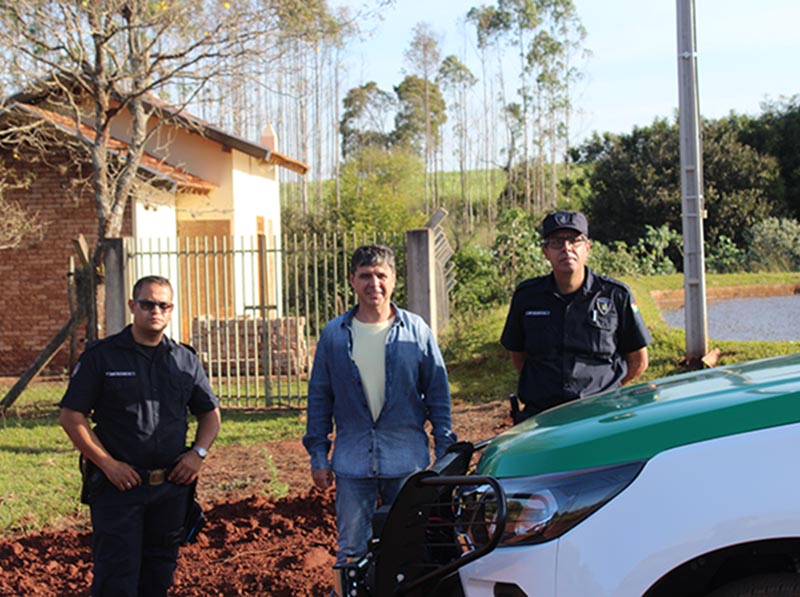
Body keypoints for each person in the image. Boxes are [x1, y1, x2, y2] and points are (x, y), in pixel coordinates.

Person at [59, 275, 221, 597]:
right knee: (116, 579)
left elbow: (210, 415)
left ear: (171, 309)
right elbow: (71, 417)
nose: (155, 311)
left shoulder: (184, 360)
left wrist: (197, 454)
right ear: (133, 306)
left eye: (163, 305)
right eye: (147, 304)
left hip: (171, 491)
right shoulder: (102, 356)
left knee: (159, 577)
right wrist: (108, 465)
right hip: (119, 490)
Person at [303, 244, 456, 567]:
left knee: (409, 548)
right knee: (351, 551)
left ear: (394, 279)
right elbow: (319, 398)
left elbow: (438, 394)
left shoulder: (416, 332)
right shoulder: (333, 336)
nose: (374, 284)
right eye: (365, 276)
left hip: (406, 461)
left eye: (381, 275)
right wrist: (318, 455)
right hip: (352, 463)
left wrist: (444, 447)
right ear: (352, 280)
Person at [501, 210, 651, 420]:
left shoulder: (615, 295)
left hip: (601, 414)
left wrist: (605, 391)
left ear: (587, 248)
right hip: (542, 416)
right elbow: (519, 356)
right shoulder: (527, 297)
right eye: (556, 242)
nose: (566, 248)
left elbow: (638, 361)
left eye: (574, 240)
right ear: (545, 251)